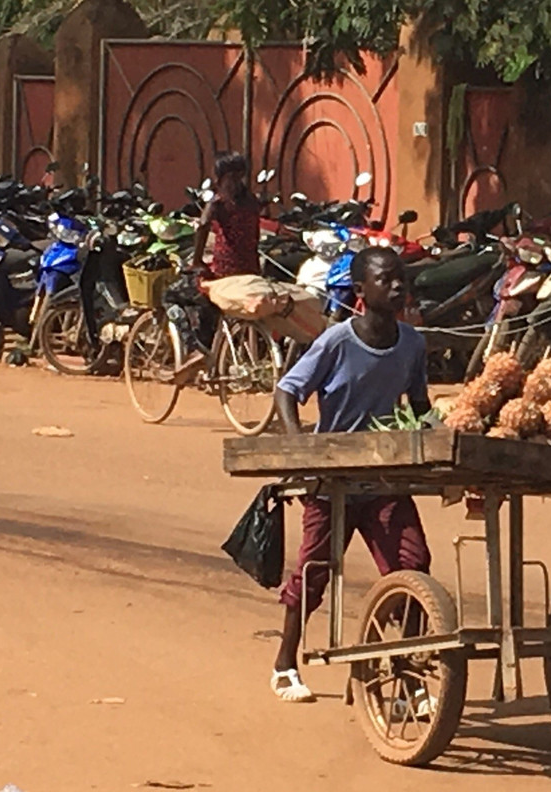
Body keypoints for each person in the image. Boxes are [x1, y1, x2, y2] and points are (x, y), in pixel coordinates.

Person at [270, 246, 432, 702]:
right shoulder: (337, 340)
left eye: (401, 278)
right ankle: (285, 663)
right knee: (313, 572)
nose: (397, 287)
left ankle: (403, 672)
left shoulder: (413, 343)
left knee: (415, 568)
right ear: (361, 291)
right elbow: (287, 391)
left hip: (384, 480)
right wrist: (299, 445)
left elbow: (419, 407)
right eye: (386, 280)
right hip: (332, 483)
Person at [173, 152, 262, 381]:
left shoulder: (219, 202)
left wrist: (196, 261)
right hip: (251, 270)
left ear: (221, 177)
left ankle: (197, 350)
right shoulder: (252, 201)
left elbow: (202, 226)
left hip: (223, 272)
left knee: (173, 296)